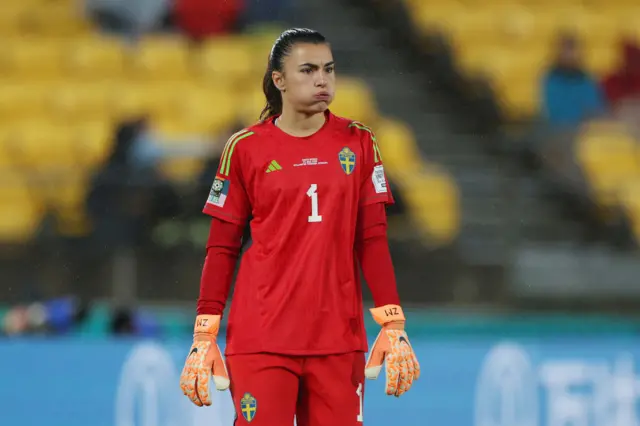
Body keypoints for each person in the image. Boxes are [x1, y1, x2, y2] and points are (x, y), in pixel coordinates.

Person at [179, 28, 420, 425]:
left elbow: (372, 239)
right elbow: (222, 247)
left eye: (329, 69)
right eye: (307, 70)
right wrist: (204, 330)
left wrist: (393, 322)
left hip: (338, 339)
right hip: (262, 337)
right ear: (279, 80)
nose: (322, 80)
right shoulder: (244, 148)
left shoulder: (360, 143)